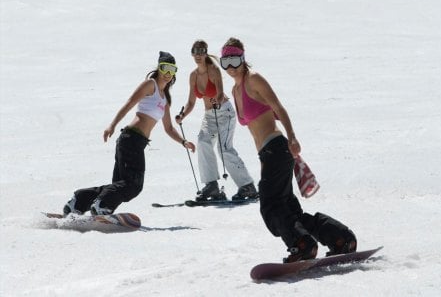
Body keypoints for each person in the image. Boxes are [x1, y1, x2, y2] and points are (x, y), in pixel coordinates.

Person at [220, 37, 357, 262]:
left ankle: (301, 244)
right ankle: (340, 238)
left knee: (271, 207)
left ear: (243, 59)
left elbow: (278, 108)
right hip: (269, 154)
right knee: (290, 212)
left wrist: (292, 136)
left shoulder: (254, 80)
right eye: (226, 63)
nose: (231, 68)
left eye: (234, 60)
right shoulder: (236, 90)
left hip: (277, 148)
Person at [63, 51, 196, 216]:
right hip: (130, 138)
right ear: (159, 68)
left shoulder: (165, 99)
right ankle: (101, 205)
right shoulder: (150, 85)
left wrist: (183, 142)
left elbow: (168, 128)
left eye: (172, 69)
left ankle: (79, 200)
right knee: (133, 186)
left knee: (121, 185)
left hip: (136, 143)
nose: (168, 73)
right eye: (164, 68)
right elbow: (130, 103)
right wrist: (112, 125)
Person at [176, 39, 257, 202]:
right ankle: (211, 186)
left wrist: (217, 101)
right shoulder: (193, 76)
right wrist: (182, 115)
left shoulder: (213, 70)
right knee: (203, 141)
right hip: (209, 115)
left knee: (224, 148)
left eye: (201, 51)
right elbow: (191, 102)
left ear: (206, 53)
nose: (198, 55)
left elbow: (220, 93)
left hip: (224, 112)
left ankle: (247, 185)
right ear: (192, 53)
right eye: (195, 51)